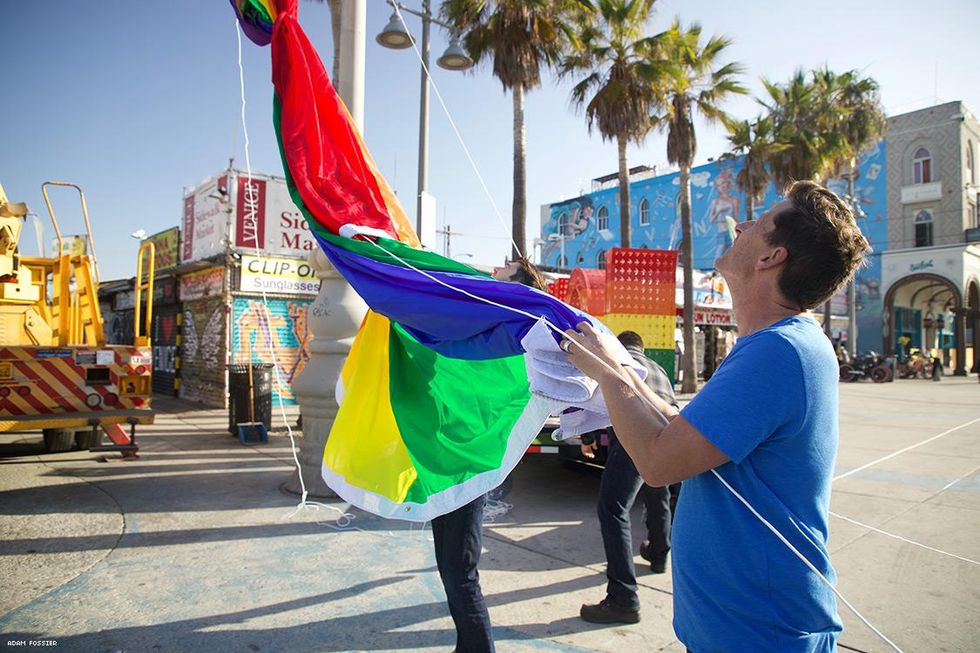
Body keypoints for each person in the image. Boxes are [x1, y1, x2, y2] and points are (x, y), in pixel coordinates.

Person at [563, 181, 868, 652]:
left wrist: (607, 372)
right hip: (739, 625)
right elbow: (679, 427)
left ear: (771, 258)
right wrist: (623, 366)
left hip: (758, 631)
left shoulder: (778, 351)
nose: (741, 225)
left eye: (757, 223)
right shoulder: (777, 343)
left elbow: (659, 463)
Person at [430, 257, 548, 653]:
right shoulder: (485, 323)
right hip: (451, 458)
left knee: (461, 570)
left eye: (506, 269)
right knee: (449, 566)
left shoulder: (513, 328)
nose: (496, 270)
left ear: (518, 286)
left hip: (474, 463)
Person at [579, 331, 679, 625]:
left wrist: (587, 437)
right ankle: (659, 554)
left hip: (633, 437)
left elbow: (597, 403)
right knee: (657, 490)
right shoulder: (658, 368)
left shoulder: (619, 361)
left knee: (613, 508)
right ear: (642, 347)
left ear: (620, 346)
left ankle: (623, 598)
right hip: (669, 433)